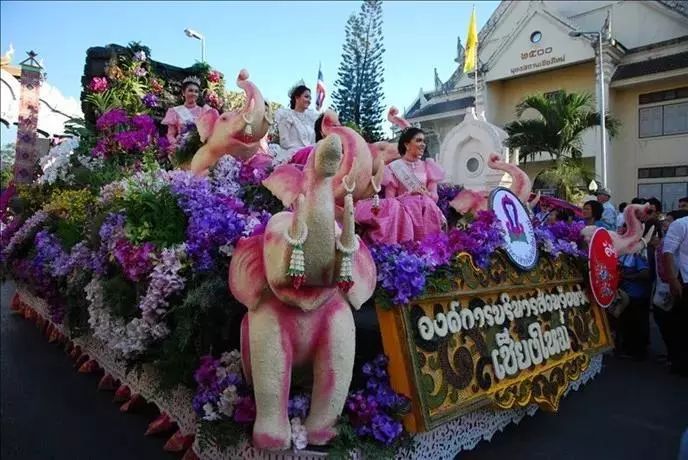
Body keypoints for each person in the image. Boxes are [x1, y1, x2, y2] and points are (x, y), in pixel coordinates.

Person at [355, 127, 445, 244]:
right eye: (418, 140)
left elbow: (434, 197)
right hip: (405, 211)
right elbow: (390, 201)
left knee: (427, 204)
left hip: (426, 209)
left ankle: (427, 246)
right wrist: (409, 194)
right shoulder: (394, 168)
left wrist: (425, 193)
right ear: (407, 145)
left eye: (424, 141)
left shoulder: (428, 166)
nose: (423, 144)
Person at [653, 210, 688, 372]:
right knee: (679, 326)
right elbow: (667, 253)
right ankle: (679, 362)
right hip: (682, 282)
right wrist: (673, 280)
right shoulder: (681, 224)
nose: (665, 223)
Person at [272, 82, 320, 162]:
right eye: (306, 97)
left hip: (310, 157)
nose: (309, 101)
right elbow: (284, 142)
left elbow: (312, 142)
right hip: (292, 157)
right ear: (297, 97)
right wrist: (303, 151)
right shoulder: (286, 116)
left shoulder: (311, 119)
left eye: (310, 98)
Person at [161, 76, 213, 147]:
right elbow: (170, 134)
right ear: (183, 92)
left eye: (196, 91)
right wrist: (176, 145)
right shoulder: (174, 111)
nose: (194, 94)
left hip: (199, 148)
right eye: (190, 90)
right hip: (181, 148)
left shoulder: (204, 110)